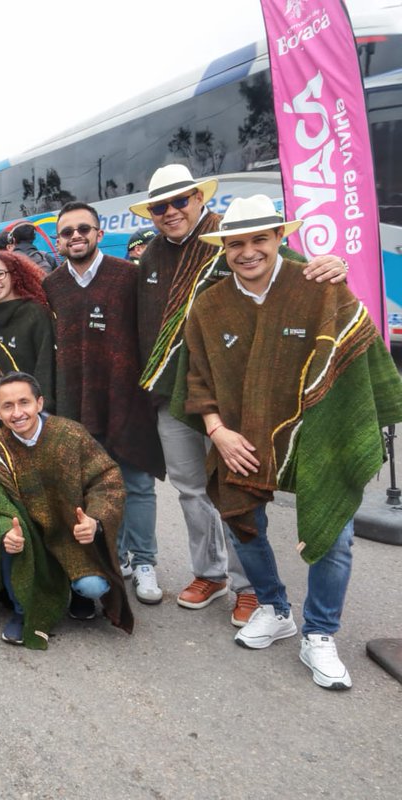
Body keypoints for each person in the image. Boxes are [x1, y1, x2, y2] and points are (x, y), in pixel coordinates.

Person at [181, 196, 402, 689]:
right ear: (224, 247)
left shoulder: (319, 285)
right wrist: (218, 430)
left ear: (280, 237)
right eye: (235, 243)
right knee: (243, 521)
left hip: (319, 433)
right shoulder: (210, 305)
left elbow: (355, 345)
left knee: (336, 535)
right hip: (239, 436)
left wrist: (340, 267)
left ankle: (319, 634)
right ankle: (276, 608)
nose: (248, 252)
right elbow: (198, 379)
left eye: (260, 239)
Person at [131, 164, 347, 623]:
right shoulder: (149, 257)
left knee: (234, 490)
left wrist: (335, 265)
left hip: (227, 395)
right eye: (159, 206)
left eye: (179, 201)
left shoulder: (231, 240)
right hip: (172, 396)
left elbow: (290, 270)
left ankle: (249, 586)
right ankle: (209, 573)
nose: (170, 212)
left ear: (197, 198)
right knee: (191, 490)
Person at [43, 202, 165, 606]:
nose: (75, 236)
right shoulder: (52, 286)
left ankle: (144, 560)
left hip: (126, 398)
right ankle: (117, 554)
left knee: (137, 483)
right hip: (77, 403)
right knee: (94, 487)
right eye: (67, 232)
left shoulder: (129, 276)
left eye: (84, 229)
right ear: (58, 241)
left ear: (98, 234)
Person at [0, 372, 132, 647]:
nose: (18, 412)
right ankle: (23, 612)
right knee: (9, 546)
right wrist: (3, 532)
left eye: (24, 402)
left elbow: (107, 479)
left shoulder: (70, 434)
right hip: (30, 541)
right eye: (7, 406)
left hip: (72, 538)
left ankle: (79, 592)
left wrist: (94, 521)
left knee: (93, 586)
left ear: (39, 402)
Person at [0, 250, 56, 411]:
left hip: (33, 411)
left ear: (14, 275)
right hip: (5, 410)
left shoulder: (36, 312)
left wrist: (42, 410)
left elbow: (46, 365)